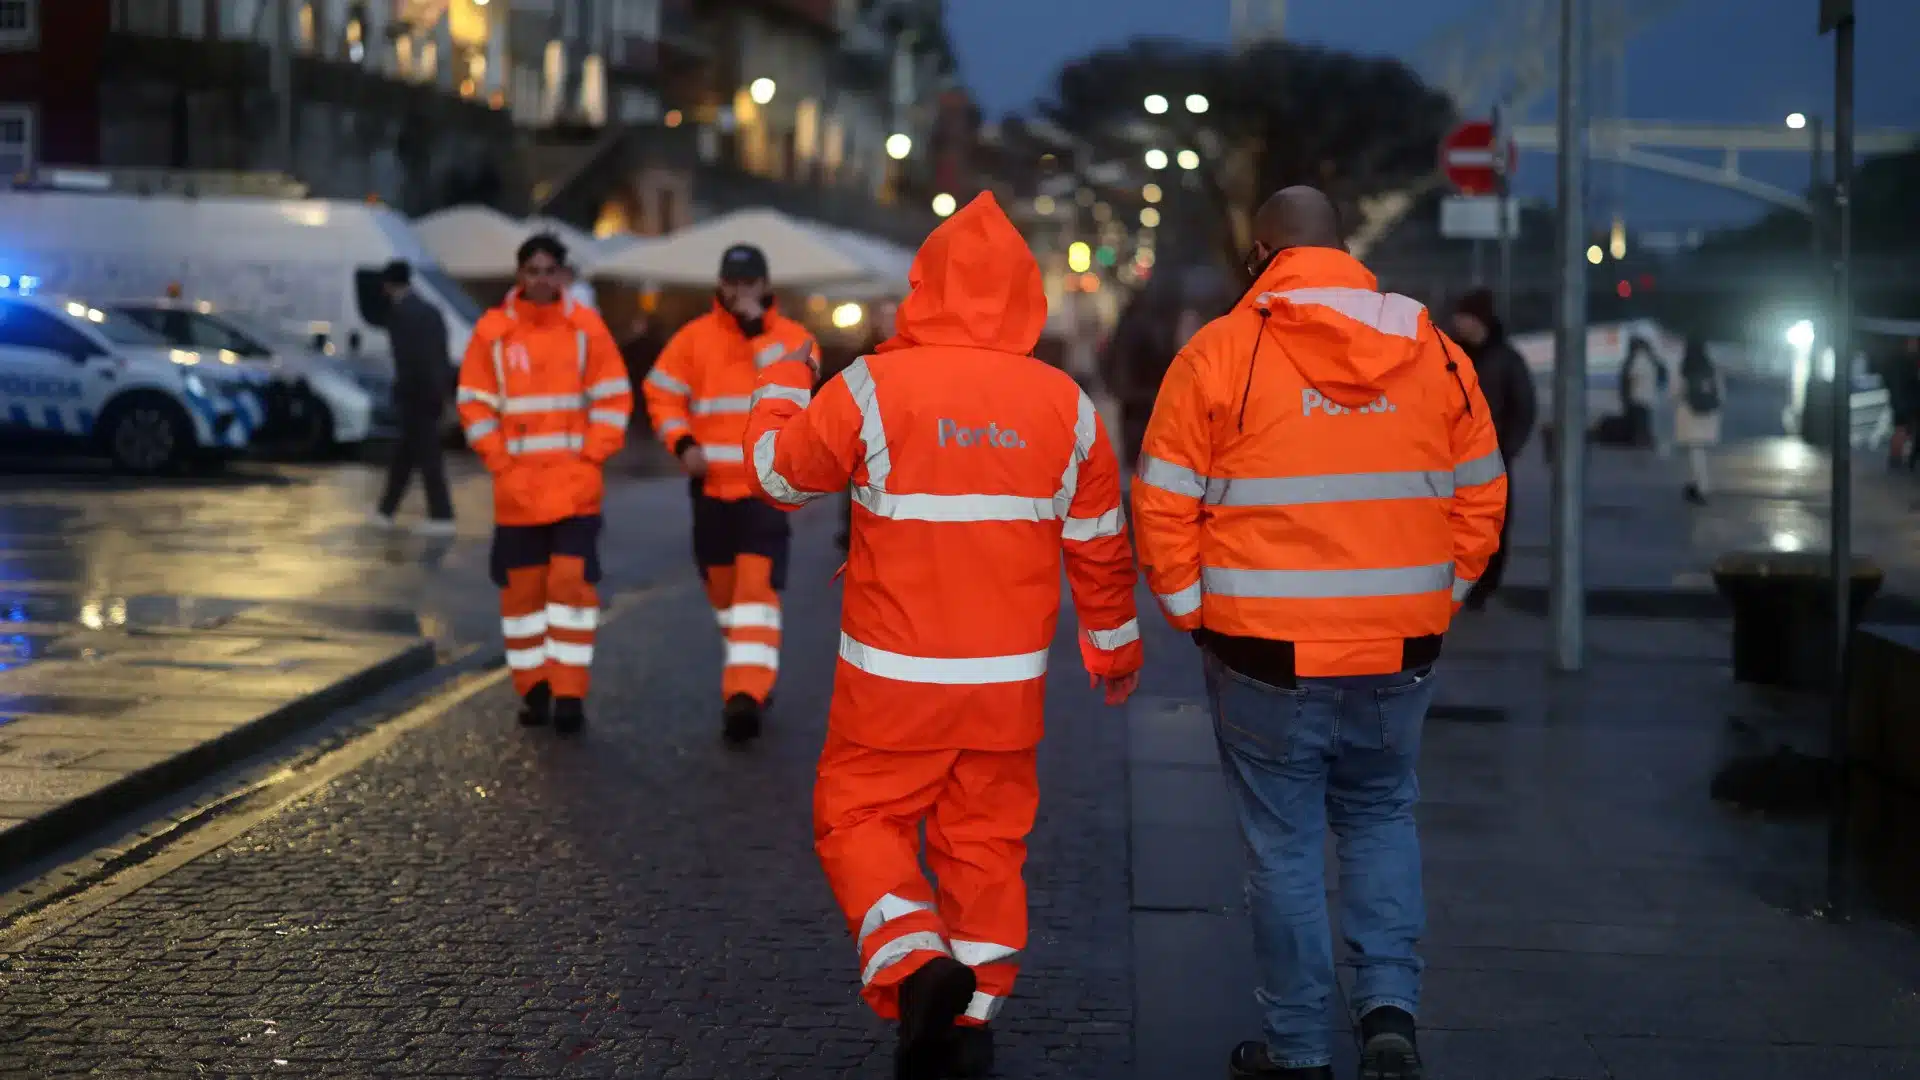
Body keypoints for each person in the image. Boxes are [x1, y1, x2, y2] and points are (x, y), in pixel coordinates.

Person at [742, 192, 1143, 1080]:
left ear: (924, 287)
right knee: (986, 841)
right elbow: (1101, 546)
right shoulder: (1065, 405)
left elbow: (777, 475)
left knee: (859, 816)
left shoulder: (874, 388)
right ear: (1023, 296)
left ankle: (918, 964)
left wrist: (778, 385)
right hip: (1006, 686)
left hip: (893, 678)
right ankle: (974, 1019)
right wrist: (1113, 647)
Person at [1132, 187, 1506, 1080]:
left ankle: (1299, 1049)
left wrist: (1196, 613)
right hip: (1400, 649)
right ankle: (1389, 1017)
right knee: (1382, 821)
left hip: (1263, 651)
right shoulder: (1437, 352)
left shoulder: (1221, 352)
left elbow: (1161, 503)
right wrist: (1433, 596)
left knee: (1285, 849)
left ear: (1263, 253)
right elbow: (1483, 493)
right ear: (1342, 248)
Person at [454, 234, 631, 734]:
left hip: (575, 491)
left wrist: (591, 456)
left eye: (549, 270)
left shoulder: (586, 330)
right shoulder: (493, 333)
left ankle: (570, 693)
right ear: (520, 276)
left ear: (563, 275)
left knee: (571, 591)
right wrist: (501, 463)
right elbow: (474, 402)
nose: (540, 279)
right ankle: (534, 687)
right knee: (523, 600)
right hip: (517, 494)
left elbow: (614, 398)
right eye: (532, 270)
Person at [642, 244, 817, 743]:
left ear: (765, 285)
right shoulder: (694, 339)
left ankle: (745, 695)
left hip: (764, 491)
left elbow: (792, 387)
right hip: (711, 489)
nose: (739, 292)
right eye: (732, 283)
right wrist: (682, 442)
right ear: (719, 284)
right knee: (725, 595)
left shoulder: (794, 341)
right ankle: (751, 671)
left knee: (753, 595)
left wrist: (756, 332)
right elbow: (660, 392)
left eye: (749, 283)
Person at [1449, 288, 1537, 610]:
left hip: (1492, 456)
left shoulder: (1506, 360)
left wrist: (1506, 449)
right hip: (1450, 457)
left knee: (1491, 525)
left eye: (1464, 317)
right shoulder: (1448, 356)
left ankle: (1482, 586)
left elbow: (1523, 408)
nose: (1458, 324)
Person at [371, 260, 456, 535]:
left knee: (426, 456)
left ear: (387, 284)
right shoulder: (430, 310)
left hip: (414, 392)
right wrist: (442, 391)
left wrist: (405, 390)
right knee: (405, 455)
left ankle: (442, 516)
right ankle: (386, 511)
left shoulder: (400, 314)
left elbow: (407, 359)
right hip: (431, 390)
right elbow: (440, 354)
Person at [1674, 336, 1724, 506]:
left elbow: (1675, 392)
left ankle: (1700, 487)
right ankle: (1701, 484)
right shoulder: (1711, 368)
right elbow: (1720, 392)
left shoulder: (1684, 369)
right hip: (1708, 413)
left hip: (1690, 413)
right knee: (1704, 452)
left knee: (1695, 452)